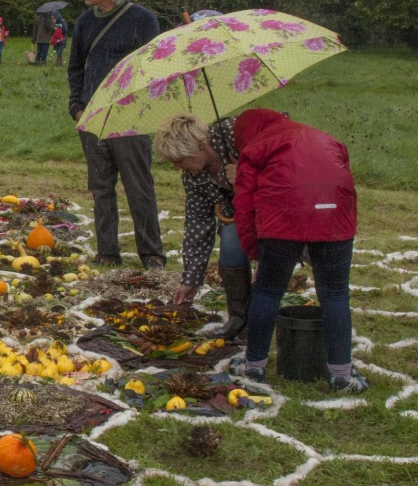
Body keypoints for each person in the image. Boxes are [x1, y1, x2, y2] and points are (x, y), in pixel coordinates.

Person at [228, 108, 367, 394]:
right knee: (335, 293)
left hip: (282, 219)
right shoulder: (328, 139)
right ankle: (341, 374)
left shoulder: (255, 148)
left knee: (267, 291)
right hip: (335, 218)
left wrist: (256, 250)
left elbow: (243, 206)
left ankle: (254, 366)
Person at [67, 0, 165, 270]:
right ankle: (107, 252)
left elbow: (153, 70)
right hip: (92, 118)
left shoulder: (143, 19)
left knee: (139, 186)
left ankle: (151, 253)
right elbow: (75, 68)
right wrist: (77, 106)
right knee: (100, 189)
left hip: (131, 117)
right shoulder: (84, 21)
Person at [154, 114, 250, 340]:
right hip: (233, 213)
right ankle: (240, 320)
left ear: (200, 146)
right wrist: (191, 279)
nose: (177, 167)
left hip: (275, 206)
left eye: (180, 160)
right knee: (231, 248)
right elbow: (198, 225)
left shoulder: (234, 134)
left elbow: (280, 157)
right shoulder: (193, 176)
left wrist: (247, 173)